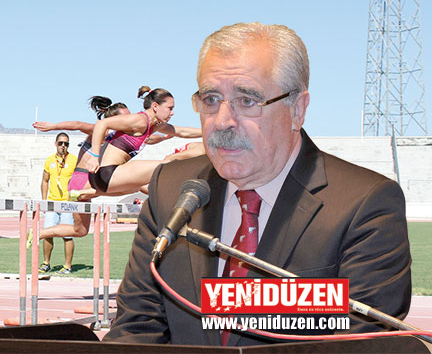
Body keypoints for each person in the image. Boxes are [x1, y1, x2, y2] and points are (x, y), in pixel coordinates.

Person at [105, 23, 411, 346]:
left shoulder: (366, 205)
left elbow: (359, 347)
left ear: (298, 109)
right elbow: (135, 330)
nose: (222, 121)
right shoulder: (171, 190)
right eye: (210, 99)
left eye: (247, 100)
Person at [32, 94, 202, 240]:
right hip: (91, 175)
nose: (130, 119)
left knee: (81, 230)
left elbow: (175, 132)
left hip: (101, 177)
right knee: (162, 168)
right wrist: (55, 127)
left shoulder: (141, 129)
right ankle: (89, 192)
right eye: (126, 118)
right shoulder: (129, 124)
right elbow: (80, 125)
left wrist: (204, 130)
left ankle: (39, 233)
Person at [38, 132, 77, 274]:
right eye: (60, 143)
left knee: (67, 236)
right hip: (52, 203)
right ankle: (46, 263)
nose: (63, 146)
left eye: (66, 143)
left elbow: (78, 181)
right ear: (56, 144)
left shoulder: (74, 160)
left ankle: (67, 266)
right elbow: (45, 180)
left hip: (67, 204)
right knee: (48, 234)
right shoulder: (49, 160)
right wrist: (44, 201)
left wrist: (74, 200)